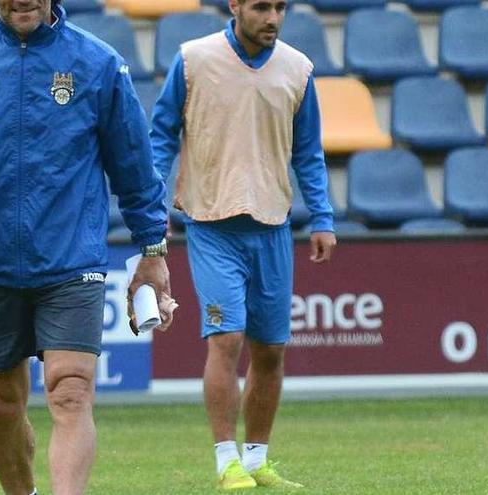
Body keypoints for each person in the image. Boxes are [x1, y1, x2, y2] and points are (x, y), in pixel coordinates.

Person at [0, 0, 172, 493]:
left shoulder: (99, 63)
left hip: (72, 260)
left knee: (70, 390)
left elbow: (134, 165)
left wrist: (152, 252)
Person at [151, 0, 337, 490]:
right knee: (226, 339)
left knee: (271, 350)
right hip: (211, 223)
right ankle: (224, 460)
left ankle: (256, 460)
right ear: (235, 6)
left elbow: (309, 150)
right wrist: (151, 205)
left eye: (280, 7)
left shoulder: (298, 69)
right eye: (260, 7)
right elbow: (162, 136)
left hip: (273, 224)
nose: (272, 17)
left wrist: (322, 215)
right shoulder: (194, 59)